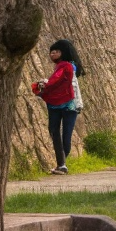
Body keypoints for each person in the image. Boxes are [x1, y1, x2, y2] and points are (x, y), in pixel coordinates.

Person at [31, 39, 85, 174]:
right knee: (55, 131)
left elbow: (58, 81)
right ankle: (61, 164)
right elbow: (57, 81)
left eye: (56, 52)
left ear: (63, 52)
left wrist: (45, 85)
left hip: (69, 104)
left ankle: (62, 164)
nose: (52, 54)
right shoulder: (61, 67)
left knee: (64, 134)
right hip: (57, 104)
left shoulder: (68, 66)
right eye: (51, 52)